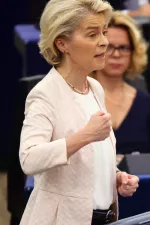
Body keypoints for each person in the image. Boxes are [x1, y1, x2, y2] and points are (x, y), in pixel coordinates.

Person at [19, 1, 139, 224]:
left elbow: (88, 158)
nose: (104, 42)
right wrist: (86, 135)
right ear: (62, 43)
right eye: (92, 35)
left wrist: (114, 177)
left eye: (104, 32)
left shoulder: (94, 88)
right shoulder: (45, 94)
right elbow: (29, 158)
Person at [93, 12, 150, 157]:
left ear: (134, 53)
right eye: (108, 47)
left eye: (123, 48)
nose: (116, 55)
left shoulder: (148, 105)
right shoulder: (76, 99)